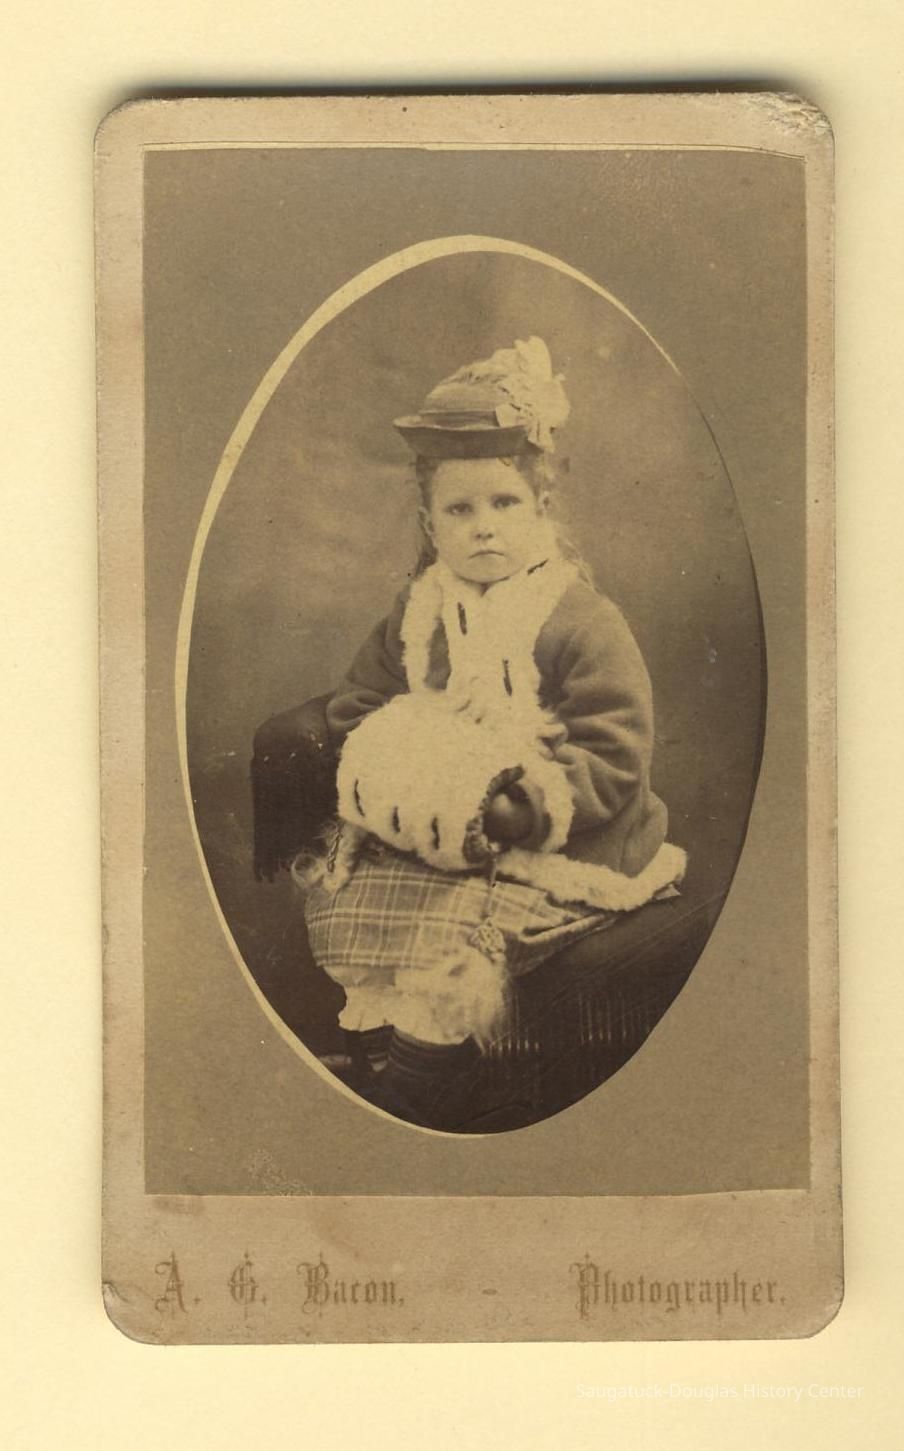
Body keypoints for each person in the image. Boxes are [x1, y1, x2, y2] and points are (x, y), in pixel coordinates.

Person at [297, 336, 686, 1129]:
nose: (484, 529)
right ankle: (392, 1073)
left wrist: (521, 805)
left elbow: (612, 755)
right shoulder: (421, 613)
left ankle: (415, 1095)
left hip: (567, 841)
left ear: (542, 507)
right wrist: (415, 747)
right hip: (453, 830)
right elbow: (360, 705)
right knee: (359, 902)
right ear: (429, 522)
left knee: (450, 954)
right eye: (460, 510)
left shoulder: (580, 619)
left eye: (505, 504)